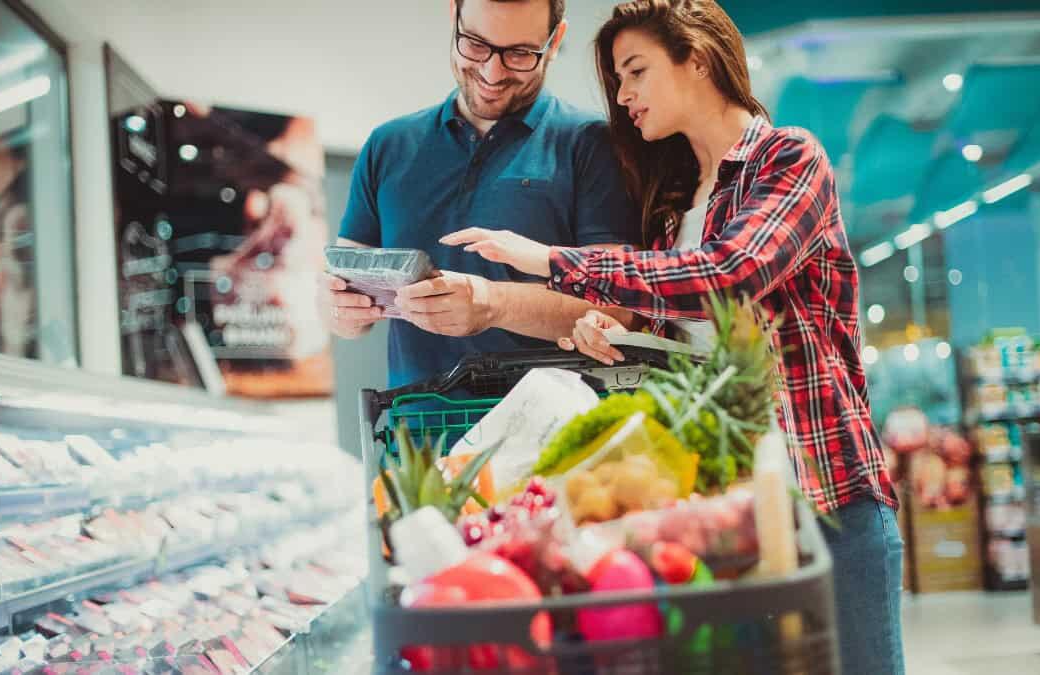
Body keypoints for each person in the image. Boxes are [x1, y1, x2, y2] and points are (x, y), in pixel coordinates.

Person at [443, 1, 904, 672]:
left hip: (826, 497)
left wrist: (553, 260)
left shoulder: (788, 159)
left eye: (636, 71)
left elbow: (730, 275)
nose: (624, 95)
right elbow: (680, 339)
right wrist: (615, 331)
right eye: (617, 80)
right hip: (728, 515)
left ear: (698, 58)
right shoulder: (674, 212)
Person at [318, 0, 640, 389]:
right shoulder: (387, 145)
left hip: (556, 423)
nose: (492, 72)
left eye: (519, 53)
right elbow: (341, 298)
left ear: (555, 41)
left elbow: (619, 309)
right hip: (418, 422)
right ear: (453, 16)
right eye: (475, 44)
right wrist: (338, 308)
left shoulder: (593, 144)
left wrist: (491, 303)